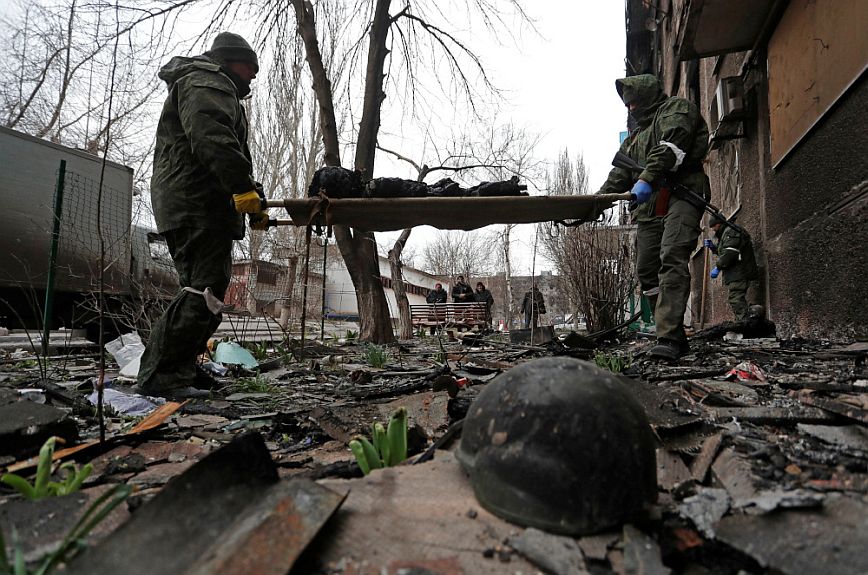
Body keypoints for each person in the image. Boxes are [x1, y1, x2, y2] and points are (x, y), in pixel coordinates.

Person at [137, 32, 268, 399]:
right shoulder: (206, 80)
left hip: (199, 202)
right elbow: (213, 139)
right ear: (229, 60)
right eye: (250, 66)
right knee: (202, 289)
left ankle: (178, 368)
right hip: (195, 203)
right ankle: (161, 377)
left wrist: (253, 196)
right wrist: (242, 186)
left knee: (207, 287)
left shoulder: (209, 83)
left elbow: (223, 145)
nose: (254, 75)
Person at [597, 74, 710, 360]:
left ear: (647, 94)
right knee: (647, 270)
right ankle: (670, 329)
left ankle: (668, 336)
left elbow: (671, 147)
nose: (631, 108)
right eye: (628, 105)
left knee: (672, 255)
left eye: (634, 102)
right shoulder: (634, 140)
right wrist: (593, 204)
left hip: (681, 194)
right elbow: (618, 177)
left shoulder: (675, 110)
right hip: (649, 209)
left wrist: (647, 178)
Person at [704, 214, 759, 320]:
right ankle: (742, 323)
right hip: (736, 273)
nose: (713, 230)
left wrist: (718, 267)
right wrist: (714, 248)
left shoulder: (731, 231)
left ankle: (746, 325)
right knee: (736, 299)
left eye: (713, 227)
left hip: (740, 272)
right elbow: (726, 250)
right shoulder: (726, 232)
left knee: (736, 299)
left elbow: (730, 253)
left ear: (718, 224)